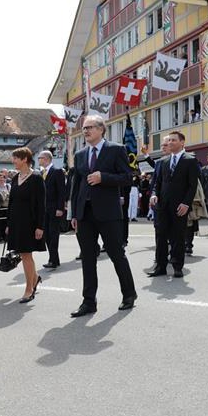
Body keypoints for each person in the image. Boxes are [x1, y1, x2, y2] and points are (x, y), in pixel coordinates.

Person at [70, 115, 137, 317]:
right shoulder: (81, 154)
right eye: (84, 128)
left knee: (117, 255)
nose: (86, 131)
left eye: (89, 127)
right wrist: (74, 212)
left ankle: (129, 295)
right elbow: (77, 185)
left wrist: (103, 177)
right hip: (85, 214)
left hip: (108, 213)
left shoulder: (116, 149)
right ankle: (89, 301)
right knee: (88, 259)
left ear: (101, 129)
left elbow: (127, 178)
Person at [148, 131, 199, 278]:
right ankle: (160, 266)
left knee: (177, 237)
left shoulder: (190, 160)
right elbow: (157, 183)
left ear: (182, 142)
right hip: (162, 206)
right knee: (160, 236)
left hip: (179, 206)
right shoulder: (163, 161)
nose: (169, 143)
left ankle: (177, 266)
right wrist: (154, 194)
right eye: (168, 140)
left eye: (173, 140)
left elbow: (192, 185)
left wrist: (186, 203)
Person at [6, 147, 45, 303]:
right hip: (16, 222)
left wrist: (40, 226)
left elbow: (42, 205)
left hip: (30, 223)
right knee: (23, 254)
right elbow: (11, 203)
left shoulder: (36, 178)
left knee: (26, 255)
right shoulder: (15, 178)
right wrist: (9, 223)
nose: (13, 161)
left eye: (15, 158)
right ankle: (35, 279)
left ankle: (29, 289)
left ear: (24, 159)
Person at [38, 150, 66, 269]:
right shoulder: (41, 173)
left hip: (55, 209)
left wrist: (60, 208)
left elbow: (61, 191)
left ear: (47, 159)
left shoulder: (57, 171)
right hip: (44, 209)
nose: (39, 160)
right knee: (47, 235)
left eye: (40, 158)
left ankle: (53, 260)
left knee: (53, 234)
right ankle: (54, 258)